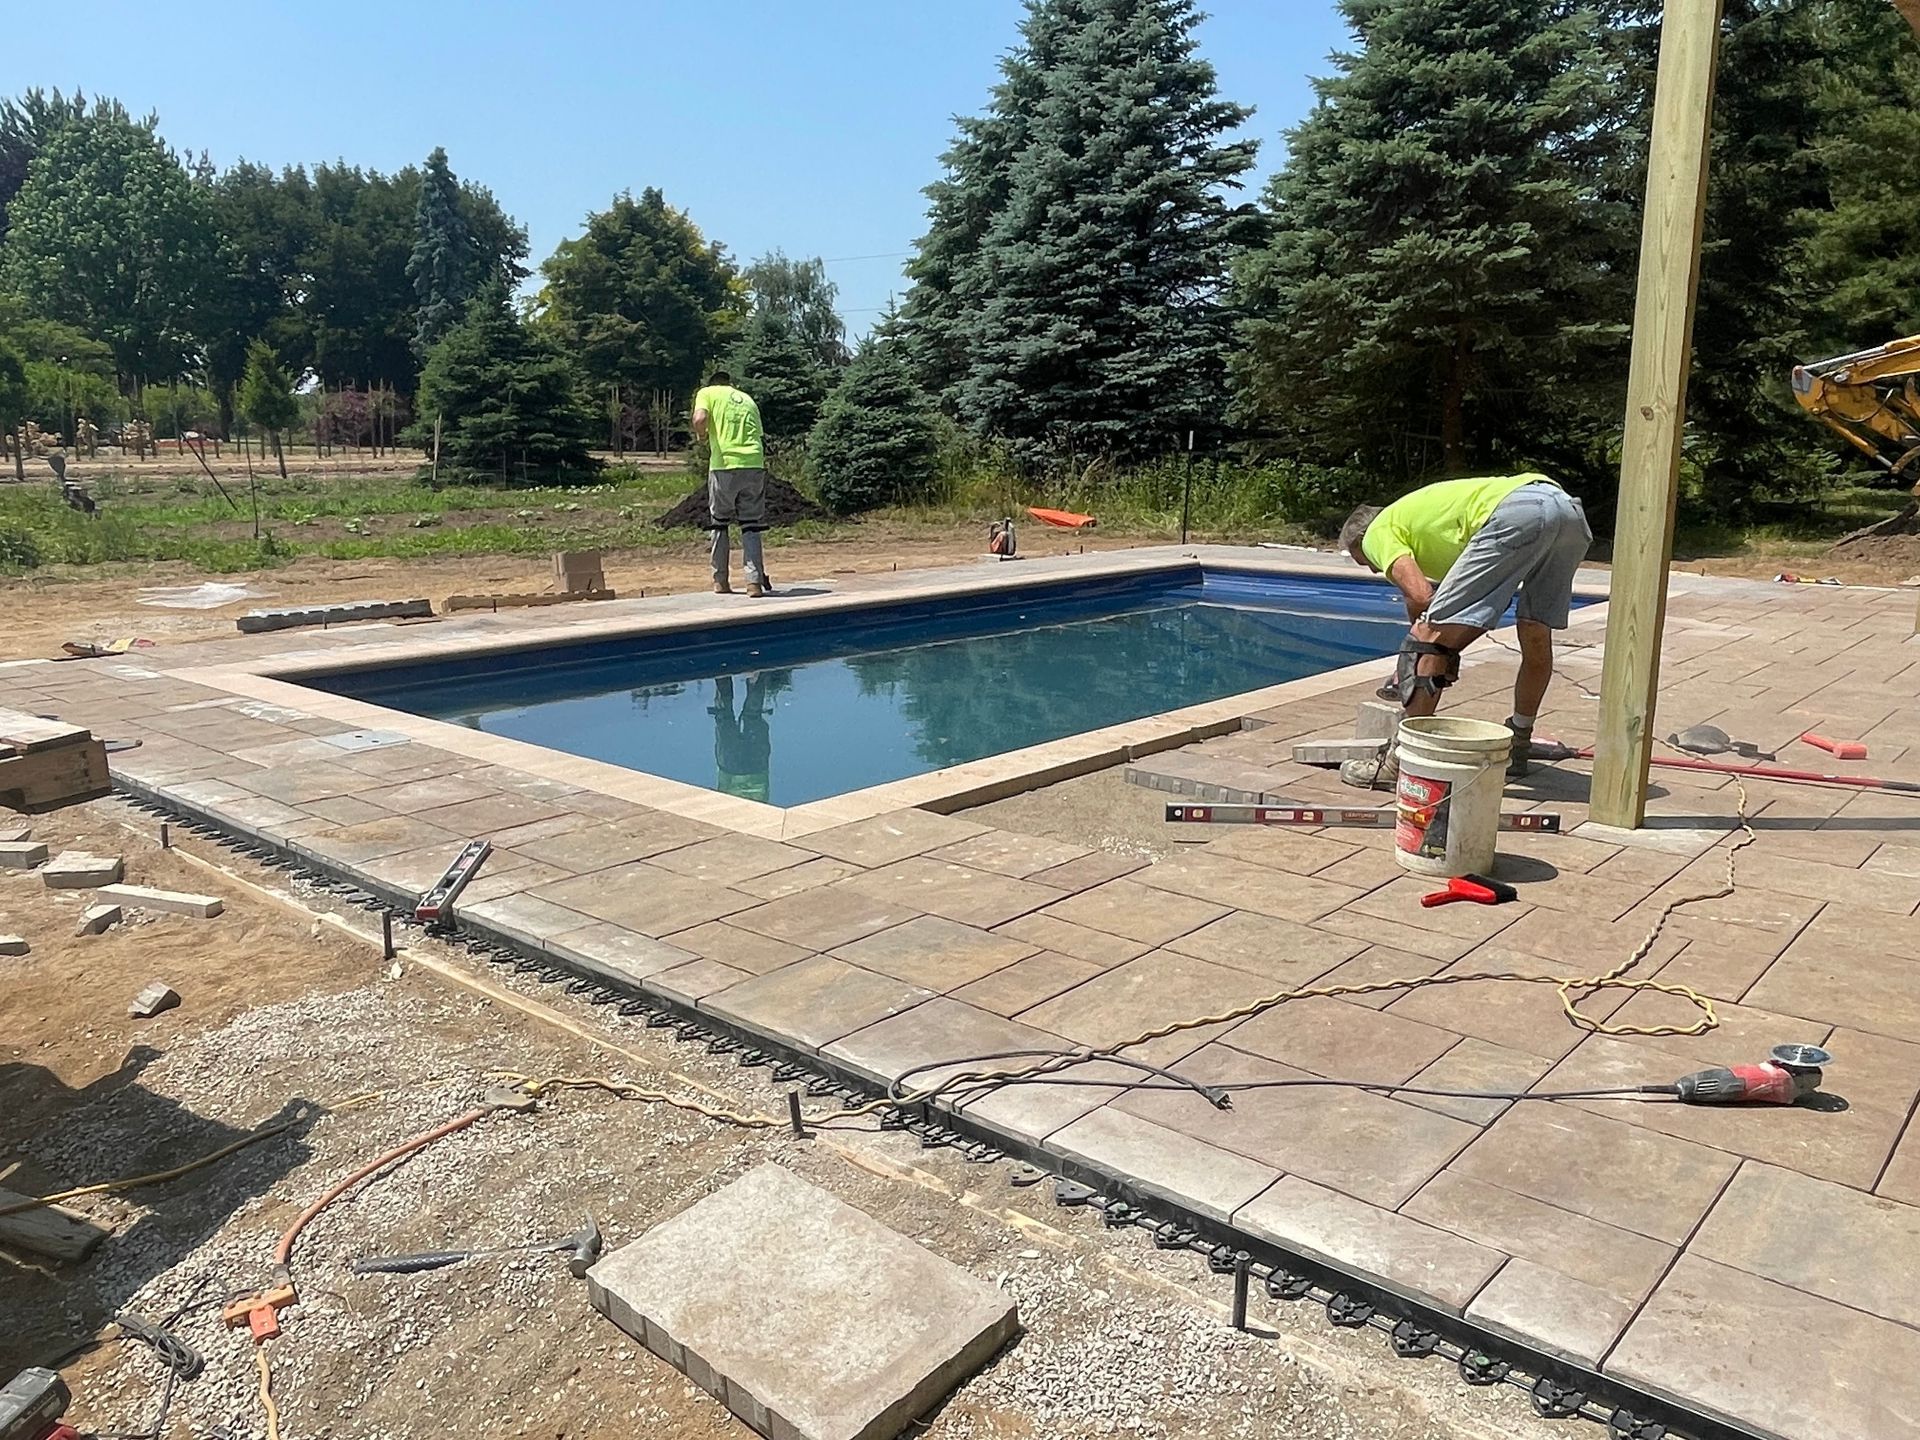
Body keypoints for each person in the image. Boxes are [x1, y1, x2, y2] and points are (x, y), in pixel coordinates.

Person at [1337, 472, 1592, 789]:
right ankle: (1519, 745)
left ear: (1359, 542)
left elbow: (1419, 595)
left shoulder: (1376, 533)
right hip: (1566, 510)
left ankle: (1399, 762)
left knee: (1429, 646)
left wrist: (1419, 644)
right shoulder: (1416, 517)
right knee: (1535, 633)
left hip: (1518, 511)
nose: (1374, 568)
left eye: (1365, 562)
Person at [691, 370, 772, 597]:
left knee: (719, 522)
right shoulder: (747, 399)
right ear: (730, 384)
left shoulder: (707, 393)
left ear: (712, 383)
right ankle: (754, 583)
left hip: (724, 465)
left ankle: (720, 581)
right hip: (754, 463)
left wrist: (702, 435)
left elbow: (699, 419)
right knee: (751, 524)